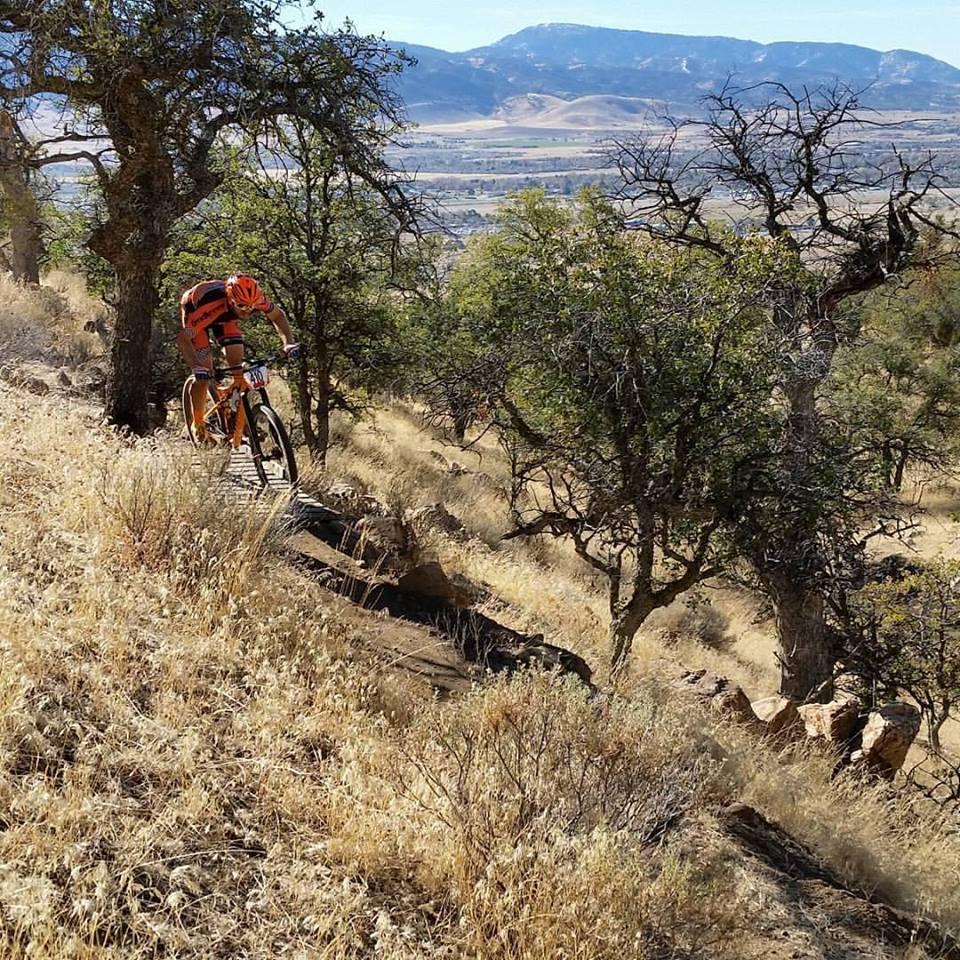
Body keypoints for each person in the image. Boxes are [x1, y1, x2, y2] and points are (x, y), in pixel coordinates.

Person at [176, 274, 299, 438]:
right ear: (230, 298)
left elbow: (277, 315)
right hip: (198, 313)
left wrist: (288, 343)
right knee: (204, 373)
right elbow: (183, 339)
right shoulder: (210, 307)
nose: (247, 311)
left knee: (237, 364)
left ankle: (239, 416)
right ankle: (197, 424)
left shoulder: (255, 298)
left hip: (226, 317)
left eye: (251, 307)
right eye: (242, 306)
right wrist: (195, 366)